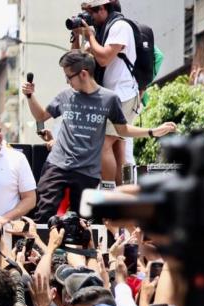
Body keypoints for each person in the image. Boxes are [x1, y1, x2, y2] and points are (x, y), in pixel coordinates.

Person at [21, 50, 176, 222]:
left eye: (69, 77)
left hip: (87, 171)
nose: (67, 81)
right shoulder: (65, 96)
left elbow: (122, 130)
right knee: (43, 215)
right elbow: (41, 116)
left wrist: (152, 131)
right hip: (57, 165)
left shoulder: (109, 99)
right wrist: (30, 96)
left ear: (83, 74)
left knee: (82, 223)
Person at [76, 0, 140, 187]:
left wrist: (90, 37)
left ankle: (109, 192)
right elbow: (76, 63)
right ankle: (124, 192)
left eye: (91, 12)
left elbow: (104, 58)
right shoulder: (101, 32)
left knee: (104, 144)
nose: (90, 17)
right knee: (119, 147)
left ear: (103, 8)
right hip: (110, 97)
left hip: (122, 95)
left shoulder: (120, 26)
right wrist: (77, 37)